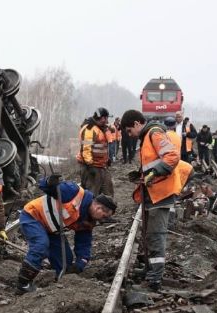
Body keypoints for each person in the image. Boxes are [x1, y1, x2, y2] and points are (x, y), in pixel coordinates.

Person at [121, 109, 193, 291]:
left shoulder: (154, 133)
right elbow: (153, 162)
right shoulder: (147, 136)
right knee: (149, 234)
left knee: (156, 235)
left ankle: (154, 279)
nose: (130, 135)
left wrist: (154, 172)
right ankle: (149, 269)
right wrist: (142, 174)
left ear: (137, 123)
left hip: (161, 192)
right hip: (154, 192)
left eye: (130, 131)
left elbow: (172, 157)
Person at [16, 176, 116, 293]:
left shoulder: (87, 221)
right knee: (40, 244)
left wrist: (79, 264)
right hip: (33, 216)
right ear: (99, 207)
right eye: (104, 216)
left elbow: (84, 243)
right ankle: (23, 284)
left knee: (66, 261)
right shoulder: (74, 192)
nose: (102, 220)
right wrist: (50, 182)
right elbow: (45, 186)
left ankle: (60, 285)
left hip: (52, 230)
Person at [77, 107, 113, 196]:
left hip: (101, 165)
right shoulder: (89, 129)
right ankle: (90, 209)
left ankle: (106, 208)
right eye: (106, 118)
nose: (107, 120)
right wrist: (90, 165)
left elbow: (103, 145)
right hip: (92, 167)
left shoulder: (100, 128)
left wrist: (107, 159)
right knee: (91, 193)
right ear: (102, 118)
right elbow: (86, 149)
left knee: (107, 191)